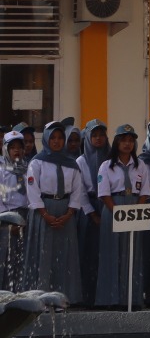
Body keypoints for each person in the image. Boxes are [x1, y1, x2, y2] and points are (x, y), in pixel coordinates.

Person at [23, 121, 90, 303]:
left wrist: (68, 214)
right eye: (52, 137)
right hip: (43, 211)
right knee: (44, 254)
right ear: (46, 139)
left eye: (60, 137)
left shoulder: (71, 164)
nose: (57, 141)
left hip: (65, 212)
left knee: (64, 254)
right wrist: (45, 214)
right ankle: (41, 297)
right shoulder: (37, 162)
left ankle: (64, 298)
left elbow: (77, 191)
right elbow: (32, 190)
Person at [94, 124, 150, 308]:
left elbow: (144, 191)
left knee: (132, 252)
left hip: (134, 208)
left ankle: (132, 298)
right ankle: (111, 298)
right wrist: (119, 213)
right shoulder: (106, 166)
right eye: (124, 140)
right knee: (112, 252)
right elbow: (104, 193)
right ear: (117, 142)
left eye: (131, 140)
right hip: (114, 208)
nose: (127, 144)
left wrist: (135, 213)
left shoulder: (140, 165)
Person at [74, 119, 109, 303]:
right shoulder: (81, 161)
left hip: (109, 206)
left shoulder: (111, 158)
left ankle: (107, 295)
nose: (98, 138)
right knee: (89, 253)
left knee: (108, 252)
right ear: (87, 137)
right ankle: (89, 296)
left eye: (101, 135)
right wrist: (92, 213)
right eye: (94, 135)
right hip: (89, 209)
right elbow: (79, 191)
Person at [1, 129, 28, 289]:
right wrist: (9, 221)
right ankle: (5, 289)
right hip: (7, 217)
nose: (16, 150)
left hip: (26, 216)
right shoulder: (2, 172)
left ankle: (21, 289)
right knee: (7, 255)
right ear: (6, 149)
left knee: (23, 255)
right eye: (12, 147)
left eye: (19, 147)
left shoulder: (28, 169)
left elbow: (33, 194)